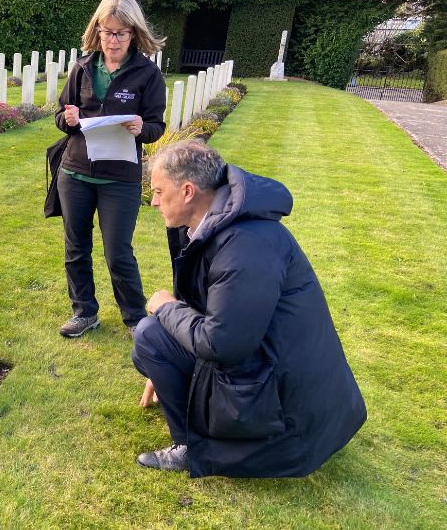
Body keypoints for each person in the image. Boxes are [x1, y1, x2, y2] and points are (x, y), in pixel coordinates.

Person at [131, 140, 367, 477]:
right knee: (149, 347)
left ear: (187, 191)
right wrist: (162, 363)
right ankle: (188, 405)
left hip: (290, 412)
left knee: (151, 332)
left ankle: (190, 447)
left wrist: (165, 309)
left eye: (157, 191)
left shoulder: (245, 245)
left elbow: (222, 344)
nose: (153, 201)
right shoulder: (210, 225)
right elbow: (208, 307)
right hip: (264, 362)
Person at [53, 0, 166, 338]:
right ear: (97, 30)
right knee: (76, 247)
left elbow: (156, 126)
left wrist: (140, 128)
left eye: (120, 33)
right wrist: (68, 119)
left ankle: (134, 318)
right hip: (76, 172)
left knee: (118, 251)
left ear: (134, 33)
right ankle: (84, 312)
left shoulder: (147, 75)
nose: (112, 40)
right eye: (106, 31)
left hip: (120, 178)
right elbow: (61, 114)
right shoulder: (83, 68)